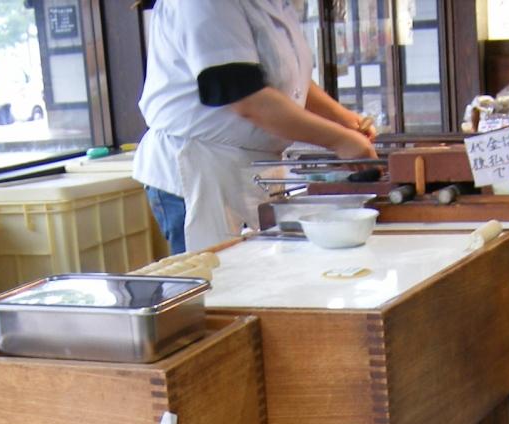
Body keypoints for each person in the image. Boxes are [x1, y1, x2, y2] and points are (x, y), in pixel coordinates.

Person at [134, 0, 378, 254]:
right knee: (215, 273)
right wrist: (340, 140)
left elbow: (287, 80)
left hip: (250, 169)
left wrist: (343, 119)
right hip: (200, 166)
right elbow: (247, 98)